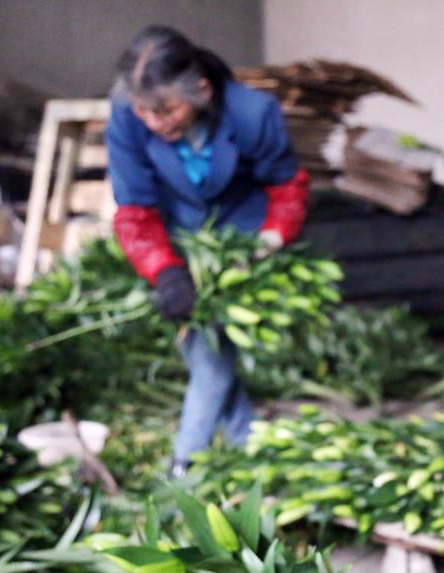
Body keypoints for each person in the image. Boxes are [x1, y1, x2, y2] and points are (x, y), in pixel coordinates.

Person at [107, 26, 308, 476]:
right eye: (144, 110)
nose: (154, 122)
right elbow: (135, 209)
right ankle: (247, 440)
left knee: (212, 354)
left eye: (166, 109)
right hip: (179, 236)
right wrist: (165, 270)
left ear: (200, 89)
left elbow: (286, 186)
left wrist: (271, 240)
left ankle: (185, 462)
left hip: (241, 241)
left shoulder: (252, 113)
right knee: (201, 350)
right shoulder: (125, 119)